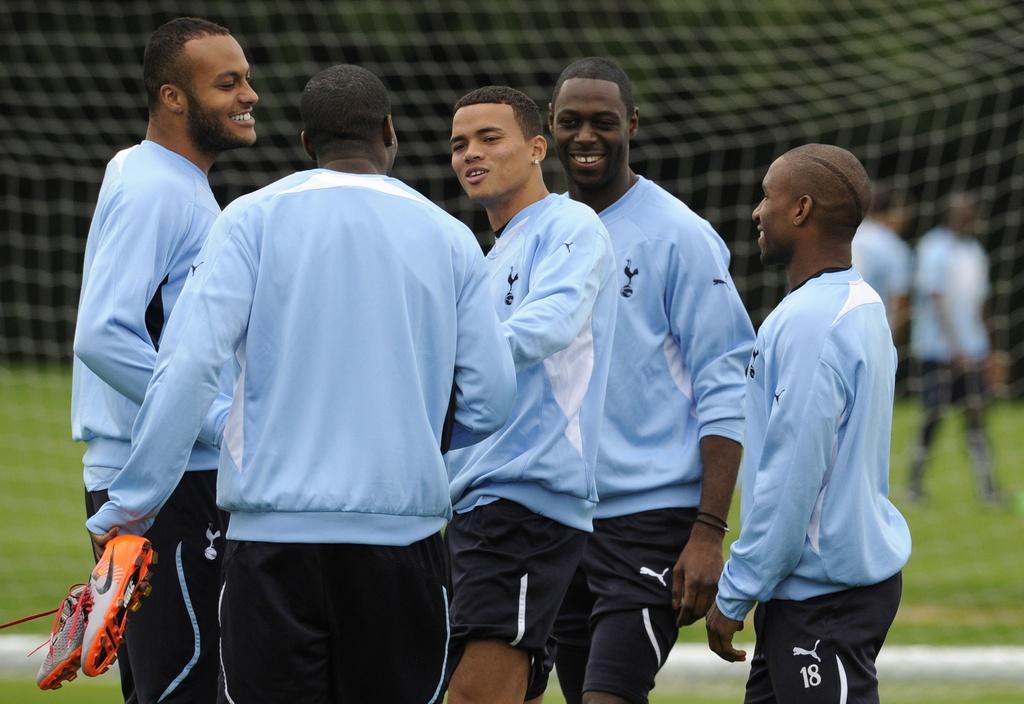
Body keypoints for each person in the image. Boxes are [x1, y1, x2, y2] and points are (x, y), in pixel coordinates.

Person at [86, 64, 516, 702]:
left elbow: (186, 369)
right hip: (403, 549)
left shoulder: (248, 219)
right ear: (390, 133)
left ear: (307, 145)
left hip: (271, 548)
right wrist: (414, 443)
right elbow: (491, 396)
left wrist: (130, 506)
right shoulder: (450, 235)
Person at [542, 57, 755, 704]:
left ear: (631, 125)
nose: (586, 137)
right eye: (570, 122)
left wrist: (709, 532)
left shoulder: (681, 237)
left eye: (603, 123)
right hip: (558, 516)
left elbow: (727, 385)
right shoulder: (540, 233)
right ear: (548, 130)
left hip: (651, 521)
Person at [68, 16, 257, 700]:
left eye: (247, 79)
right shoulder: (155, 185)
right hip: (164, 483)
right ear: (174, 97)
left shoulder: (162, 176)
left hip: (174, 476)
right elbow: (102, 334)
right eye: (228, 82)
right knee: (186, 685)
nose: (250, 95)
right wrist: (216, 419)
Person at [706, 144, 912, 704]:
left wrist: (735, 592)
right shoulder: (862, 302)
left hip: (824, 598)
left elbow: (792, 477)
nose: (756, 212)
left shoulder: (810, 322)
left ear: (800, 210)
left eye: (767, 197)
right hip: (814, 592)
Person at [445, 85, 617, 704]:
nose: (472, 154)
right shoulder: (487, 256)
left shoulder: (570, 221)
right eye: (460, 143)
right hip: (476, 503)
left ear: (538, 147)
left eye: (490, 139)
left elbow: (553, 320)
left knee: (474, 696)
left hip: (524, 501)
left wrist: (446, 368)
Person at [908, 191, 1000, 503]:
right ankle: (914, 484)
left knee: (975, 414)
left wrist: (987, 348)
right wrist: (955, 347)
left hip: (972, 349)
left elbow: (981, 302)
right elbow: (935, 299)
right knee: (934, 413)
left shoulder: (975, 250)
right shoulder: (934, 247)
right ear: (952, 215)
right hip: (938, 350)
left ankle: (987, 487)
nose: (969, 219)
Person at [851, 185, 912, 336]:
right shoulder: (895, 247)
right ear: (894, 212)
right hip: (871, 334)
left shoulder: (849, 234)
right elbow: (900, 303)